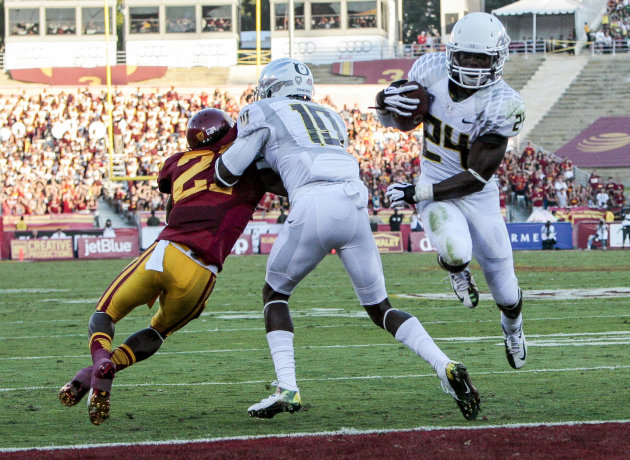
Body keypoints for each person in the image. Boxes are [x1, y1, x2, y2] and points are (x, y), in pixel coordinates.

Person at [215, 58, 480, 422]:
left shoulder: (260, 110)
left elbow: (226, 172)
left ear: (273, 87)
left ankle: (287, 386)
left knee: (274, 294)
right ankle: (445, 365)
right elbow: (292, 167)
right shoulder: (330, 117)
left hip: (313, 203)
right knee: (381, 307)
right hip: (354, 202)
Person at [58, 108, 283, 425]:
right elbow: (288, 182)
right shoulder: (248, 167)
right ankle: (103, 369)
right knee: (157, 331)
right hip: (202, 271)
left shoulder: (178, 162)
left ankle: (97, 363)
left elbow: (169, 208)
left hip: (166, 250)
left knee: (104, 314)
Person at [377, 12, 527, 370]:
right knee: (456, 251)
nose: (473, 65)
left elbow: (475, 176)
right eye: (466, 56)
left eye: (482, 58)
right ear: (451, 53)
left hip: (477, 195)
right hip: (434, 181)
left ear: (497, 59)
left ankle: (514, 329)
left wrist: (419, 192)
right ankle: (457, 270)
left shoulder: (503, 103)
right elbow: (397, 117)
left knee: (506, 291)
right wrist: (385, 105)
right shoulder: (429, 70)